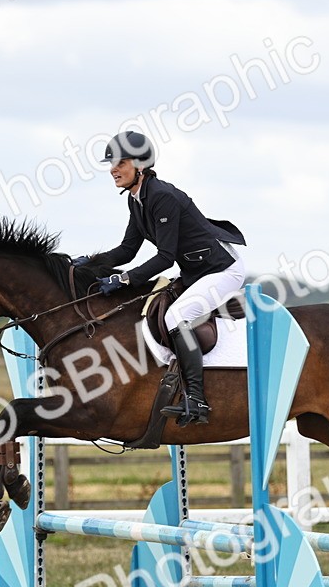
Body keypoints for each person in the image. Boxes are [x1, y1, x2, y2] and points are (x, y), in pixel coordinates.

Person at [79, 131, 246, 426]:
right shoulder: (137, 199)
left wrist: (124, 280)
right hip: (197, 272)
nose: (112, 169)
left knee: (175, 317)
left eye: (120, 162)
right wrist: (91, 264)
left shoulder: (162, 197)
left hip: (222, 270)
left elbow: (165, 257)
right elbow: (127, 250)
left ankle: (196, 400)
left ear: (140, 165)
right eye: (111, 163)